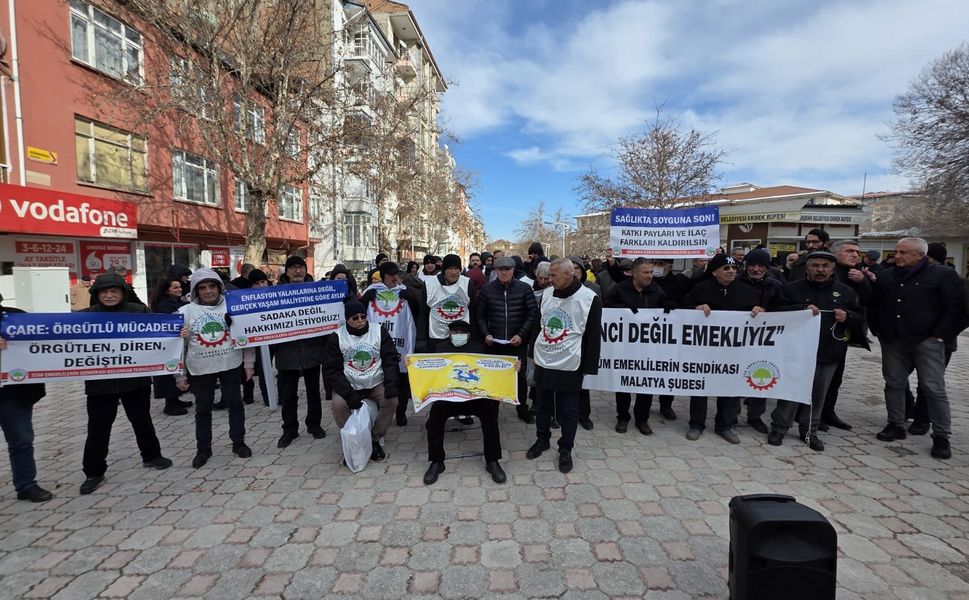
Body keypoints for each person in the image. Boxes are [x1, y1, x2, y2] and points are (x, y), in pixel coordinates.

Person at [869, 237, 966, 460]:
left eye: (904, 252)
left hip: (927, 341)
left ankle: (941, 435)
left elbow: (956, 308)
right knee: (894, 383)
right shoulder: (886, 276)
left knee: (933, 387)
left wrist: (939, 335)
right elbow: (876, 305)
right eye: (897, 251)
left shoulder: (942, 275)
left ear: (920, 255)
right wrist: (878, 330)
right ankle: (895, 423)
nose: (897, 256)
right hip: (893, 340)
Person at [78, 274, 172, 494]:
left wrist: (178, 333)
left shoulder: (139, 312)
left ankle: (151, 456)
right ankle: (94, 472)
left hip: (135, 379)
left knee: (142, 420)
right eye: (104, 292)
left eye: (114, 291)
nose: (109, 296)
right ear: (97, 294)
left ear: (123, 292)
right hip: (100, 383)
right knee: (98, 428)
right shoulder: (85, 317)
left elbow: (161, 331)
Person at [767, 252, 865, 451]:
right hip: (796, 352)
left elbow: (860, 317)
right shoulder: (791, 289)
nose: (820, 270)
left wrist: (847, 316)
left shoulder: (845, 291)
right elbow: (776, 312)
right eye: (815, 266)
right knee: (791, 391)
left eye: (825, 266)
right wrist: (802, 308)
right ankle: (779, 428)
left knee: (818, 395)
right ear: (807, 268)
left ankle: (810, 431)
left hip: (828, 351)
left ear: (833, 268)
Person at [527, 258, 602, 474]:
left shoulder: (589, 299)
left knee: (569, 410)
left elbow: (593, 336)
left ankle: (565, 448)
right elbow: (538, 324)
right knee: (542, 405)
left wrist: (588, 367)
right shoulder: (547, 294)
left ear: (570, 275)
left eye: (553, 276)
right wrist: (533, 351)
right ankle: (542, 440)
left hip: (571, 362)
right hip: (546, 358)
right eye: (549, 275)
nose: (549, 280)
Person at [177, 268, 255, 468]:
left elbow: (248, 335)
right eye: (202, 288)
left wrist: (248, 363)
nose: (208, 291)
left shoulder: (232, 305)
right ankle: (203, 449)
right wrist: (179, 375)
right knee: (203, 409)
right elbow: (176, 347)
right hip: (200, 367)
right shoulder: (185, 312)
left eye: (212, 286)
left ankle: (238, 442)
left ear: (219, 287)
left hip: (230, 363)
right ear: (196, 290)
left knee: (235, 404)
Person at [682, 254, 763, 444]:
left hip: (733, 351)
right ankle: (696, 424)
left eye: (734, 268)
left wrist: (759, 311)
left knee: (729, 388)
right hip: (705, 350)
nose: (732, 271)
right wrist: (696, 308)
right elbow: (683, 309)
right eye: (726, 268)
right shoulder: (700, 288)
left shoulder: (746, 290)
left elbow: (757, 312)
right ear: (715, 272)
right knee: (700, 387)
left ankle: (725, 426)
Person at [422, 319, 507, 485]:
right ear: (450, 334)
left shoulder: (478, 348)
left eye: (462, 332)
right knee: (436, 413)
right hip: (448, 397)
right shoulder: (440, 349)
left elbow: (490, 371)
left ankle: (492, 460)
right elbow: (429, 372)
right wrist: (412, 365)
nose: (458, 335)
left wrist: (513, 367)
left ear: (468, 335)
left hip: (473, 397)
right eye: (455, 332)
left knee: (489, 409)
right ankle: (437, 461)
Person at [323, 299, 399, 464]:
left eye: (362, 316)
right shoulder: (336, 337)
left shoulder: (379, 331)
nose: (360, 321)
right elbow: (332, 370)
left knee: (391, 400)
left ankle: (374, 439)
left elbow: (390, 360)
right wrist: (348, 394)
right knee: (338, 405)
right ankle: (353, 441)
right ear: (347, 319)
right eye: (355, 318)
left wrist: (391, 383)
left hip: (375, 382)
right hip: (349, 384)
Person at [0, 294, 54, 502]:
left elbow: (38, 343)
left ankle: (26, 485)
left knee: (21, 442)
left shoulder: (16, 318)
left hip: (12, 394)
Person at [817, 239, 874, 432]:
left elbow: (866, 303)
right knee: (816, 377)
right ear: (835, 254)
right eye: (850, 251)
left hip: (841, 335)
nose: (855, 255)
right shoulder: (821, 272)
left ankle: (828, 412)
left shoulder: (858, 275)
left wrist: (864, 282)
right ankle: (808, 412)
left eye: (857, 252)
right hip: (817, 334)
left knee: (835, 377)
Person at [604, 258, 665, 435]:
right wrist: (624, 310)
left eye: (651, 272)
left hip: (648, 347)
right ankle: (622, 417)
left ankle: (642, 419)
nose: (649, 276)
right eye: (646, 272)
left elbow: (665, 311)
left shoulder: (656, 290)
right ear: (634, 273)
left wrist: (669, 309)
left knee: (645, 384)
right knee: (623, 384)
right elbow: (609, 308)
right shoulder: (619, 289)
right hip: (625, 347)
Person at [477, 256, 538, 424]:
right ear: (495, 270)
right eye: (500, 269)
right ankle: (492, 409)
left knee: (519, 378)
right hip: (494, 343)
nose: (504, 272)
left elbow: (532, 314)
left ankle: (522, 407)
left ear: (513, 271)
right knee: (494, 377)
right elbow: (480, 316)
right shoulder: (487, 290)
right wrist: (485, 334)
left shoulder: (524, 288)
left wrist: (521, 334)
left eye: (507, 269)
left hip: (516, 342)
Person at [274, 256, 328, 448]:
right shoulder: (275, 294)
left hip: (311, 349)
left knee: (314, 392)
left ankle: (314, 425)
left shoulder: (317, 292)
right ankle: (289, 429)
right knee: (288, 394)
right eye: (293, 268)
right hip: (286, 352)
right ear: (286, 272)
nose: (297, 271)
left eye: (300, 267)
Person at [360, 261, 421, 427]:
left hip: (400, 342)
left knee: (402, 379)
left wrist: (412, 299)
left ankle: (401, 413)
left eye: (397, 274)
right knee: (379, 379)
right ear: (383, 276)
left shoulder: (404, 291)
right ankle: (380, 413)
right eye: (391, 275)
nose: (395, 278)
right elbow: (358, 313)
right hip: (379, 344)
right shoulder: (371, 292)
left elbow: (417, 312)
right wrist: (365, 301)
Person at [736, 248, 784, 434]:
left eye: (761, 266)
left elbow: (784, 307)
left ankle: (755, 416)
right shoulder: (735, 282)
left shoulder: (775, 285)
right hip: (739, 340)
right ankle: (731, 416)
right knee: (735, 376)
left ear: (767, 267)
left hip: (765, 341)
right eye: (752, 265)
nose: (756, 269)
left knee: (761, 375)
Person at [417, 254, 477, 352]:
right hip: (437, 337)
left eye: (457, 268)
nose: (453, 272)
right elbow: (423, 313)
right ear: (444, 269)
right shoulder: (429, 284)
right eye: (450, 268)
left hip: (461, 337)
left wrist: (474, 337)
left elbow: (473, 311)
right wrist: (421, 340)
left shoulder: (467, 283)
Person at [151, 278, 193, 416]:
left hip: (178, 342)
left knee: (177, 370)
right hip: (169, 344)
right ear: (166, 290)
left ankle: (175, 399)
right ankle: (170, 404)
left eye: (180, 287)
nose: (179, 290)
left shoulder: (178, 302)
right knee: (170, 373)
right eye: (175, 288)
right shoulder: (164, 305)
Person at [569, 256, 602, 430]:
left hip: (583, 342)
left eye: (577, 268)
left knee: (582, 384)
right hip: (566, 343)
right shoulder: (558, 289)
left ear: (583, 271)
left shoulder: (593, 289)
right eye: (571, 268)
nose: (574, 272)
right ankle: (560, 414)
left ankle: (584, 415)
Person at [243, 269, 271, 406]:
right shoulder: (245, 301)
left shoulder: (277, 295)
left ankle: (282, 395)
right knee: (263, 368)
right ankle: (268, 398)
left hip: (277, 338)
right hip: (259, 340)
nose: (261, 286)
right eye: (256, 283)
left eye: (263, 282)